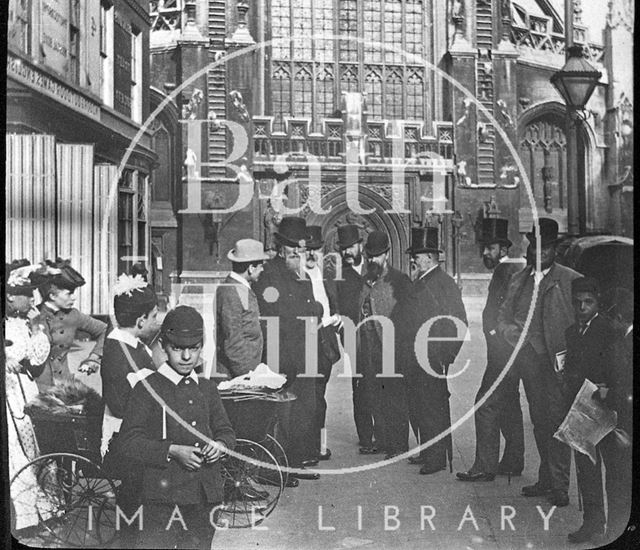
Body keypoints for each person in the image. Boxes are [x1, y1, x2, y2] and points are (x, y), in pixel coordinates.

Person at [116, 306, 235, 550]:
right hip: (162, 500)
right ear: (163, 346)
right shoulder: (147, 389)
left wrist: (220, 445)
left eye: (193, 348)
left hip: (204, 498)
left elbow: (226, 431)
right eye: (178, 348)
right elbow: (127, 442)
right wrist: (171, 450)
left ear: (201, 347)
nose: (186, 357)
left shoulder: (208, 389)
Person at [497, 218, 580, 506]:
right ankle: (546, 478)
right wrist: (514, 336)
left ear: (555, 250)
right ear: (530, 247)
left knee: (557, 422)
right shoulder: (518, 280)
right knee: (540, 422)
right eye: (535, 246)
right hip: (529, 362)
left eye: (546, 248)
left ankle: (559, 486)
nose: (539, 252)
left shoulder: (570, 279)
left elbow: (583, 321)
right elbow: (503, 317)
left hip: (557, 365)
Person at [253, 216, 322, 481]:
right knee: (281, 415)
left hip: (304, 354)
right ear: (280, 246)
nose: (296, 251)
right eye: (291, 246)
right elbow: (273, 315)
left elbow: (313, 307)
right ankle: (276, 469)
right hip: (281, 357)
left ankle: (296, 462)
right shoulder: (270, 274)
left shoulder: (301, 276)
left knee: (303, 411)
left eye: (300, 247)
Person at [457, 218, 525, 482]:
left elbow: (505, 312)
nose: (484, 253)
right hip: (510, 354)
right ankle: (513, 460)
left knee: (484, 406)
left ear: (503, 249)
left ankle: (485, 466)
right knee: (509, 405)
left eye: (489, 248)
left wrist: (496, 334)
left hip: (502, 355)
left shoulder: (505, 272)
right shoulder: (517, 268)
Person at [400, 227, 467, 474]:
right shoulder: (423, 280)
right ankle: (428, 451)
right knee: (419, 406)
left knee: (432, 408)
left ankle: (437, 458)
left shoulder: (443, 283)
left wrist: (445, 356)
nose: (413, 260)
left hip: (431, 359)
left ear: (428, 257)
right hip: (415, 358)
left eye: (417, 256)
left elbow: (459, 322)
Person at [98, 273, 159, 548]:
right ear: (140, 320)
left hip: (136, 425)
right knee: (134, 489)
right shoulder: (118, 351)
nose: (157, 322)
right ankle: (129, 538)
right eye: (154, 316)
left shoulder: (134, 345)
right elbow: (122, 401)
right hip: (124, 432)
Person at [557, 277, 616, 544]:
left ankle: (614, 527)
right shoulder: (571, 332)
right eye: (578, 302)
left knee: (614, 473)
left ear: (598, 302)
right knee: (587, 468)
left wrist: (608, 389)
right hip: (581, 408)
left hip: (607, 410)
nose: (582, 307)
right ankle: (592, 523)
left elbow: (619, 367)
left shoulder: (609, 330)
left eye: (588, 302)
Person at [4, 261, 55, 533]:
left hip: (26, 387)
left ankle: (47, 509)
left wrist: (37, 328)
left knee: (36, 444)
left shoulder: (24, 322)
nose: (32, 299)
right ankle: (24, 518)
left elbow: (36, 359)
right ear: (10, 294)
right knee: (15, 450)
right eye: (27, 293)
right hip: (8, 392)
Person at [357, 231, 412, 460]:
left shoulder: (399, 280)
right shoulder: (365, 280)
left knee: (395, 397)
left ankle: (398, 444)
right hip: (368, 349)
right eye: (369, 256)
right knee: (374, 395)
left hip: (391, 349)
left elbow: (408, 318)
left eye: (377, 256)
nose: (373, 260)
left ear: (387, 254)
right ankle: (383, 440)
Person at [333, 224, 376, 454]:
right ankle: (366, 437)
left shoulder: (375, 269)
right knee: (360, 388)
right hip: (355, 341)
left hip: (379, 339)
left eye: (350, 247)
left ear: (360, 245)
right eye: (342, 249)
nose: (346, 252)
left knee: (381, 385)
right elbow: (337, 310)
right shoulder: (340, 276)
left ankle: (384, 434)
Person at [34, 259, 107, 390]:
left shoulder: (73, 315)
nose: (74, 298)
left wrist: (94, 357)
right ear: (52, 295)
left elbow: (105, 330)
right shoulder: (33, 316)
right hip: (37, 388)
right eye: (69, 293)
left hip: (66, 387)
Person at [301, 226, 341, 465]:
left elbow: (336, 305)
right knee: (310, 398)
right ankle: (311, 447)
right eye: (308, 250)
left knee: (320, 397)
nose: (312, 254)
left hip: (325, 343)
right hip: (305, 341)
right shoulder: (297, 277)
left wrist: (335, 317)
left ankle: (320, 445)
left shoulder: (326, 276)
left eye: (317, 249)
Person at [602, 286, 633, 543]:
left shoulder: (623, 343)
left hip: (625, 425)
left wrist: (606, 394)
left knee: (618, 481)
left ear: (620, 319)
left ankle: (615, 531)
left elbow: (623, 386)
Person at [216, 239, 269, 378]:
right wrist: (247, 377)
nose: (263, 269)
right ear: (251, 268)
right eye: (260, 266)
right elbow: (233, 341)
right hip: (237, 376)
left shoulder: (240, 288)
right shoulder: (231, 292)